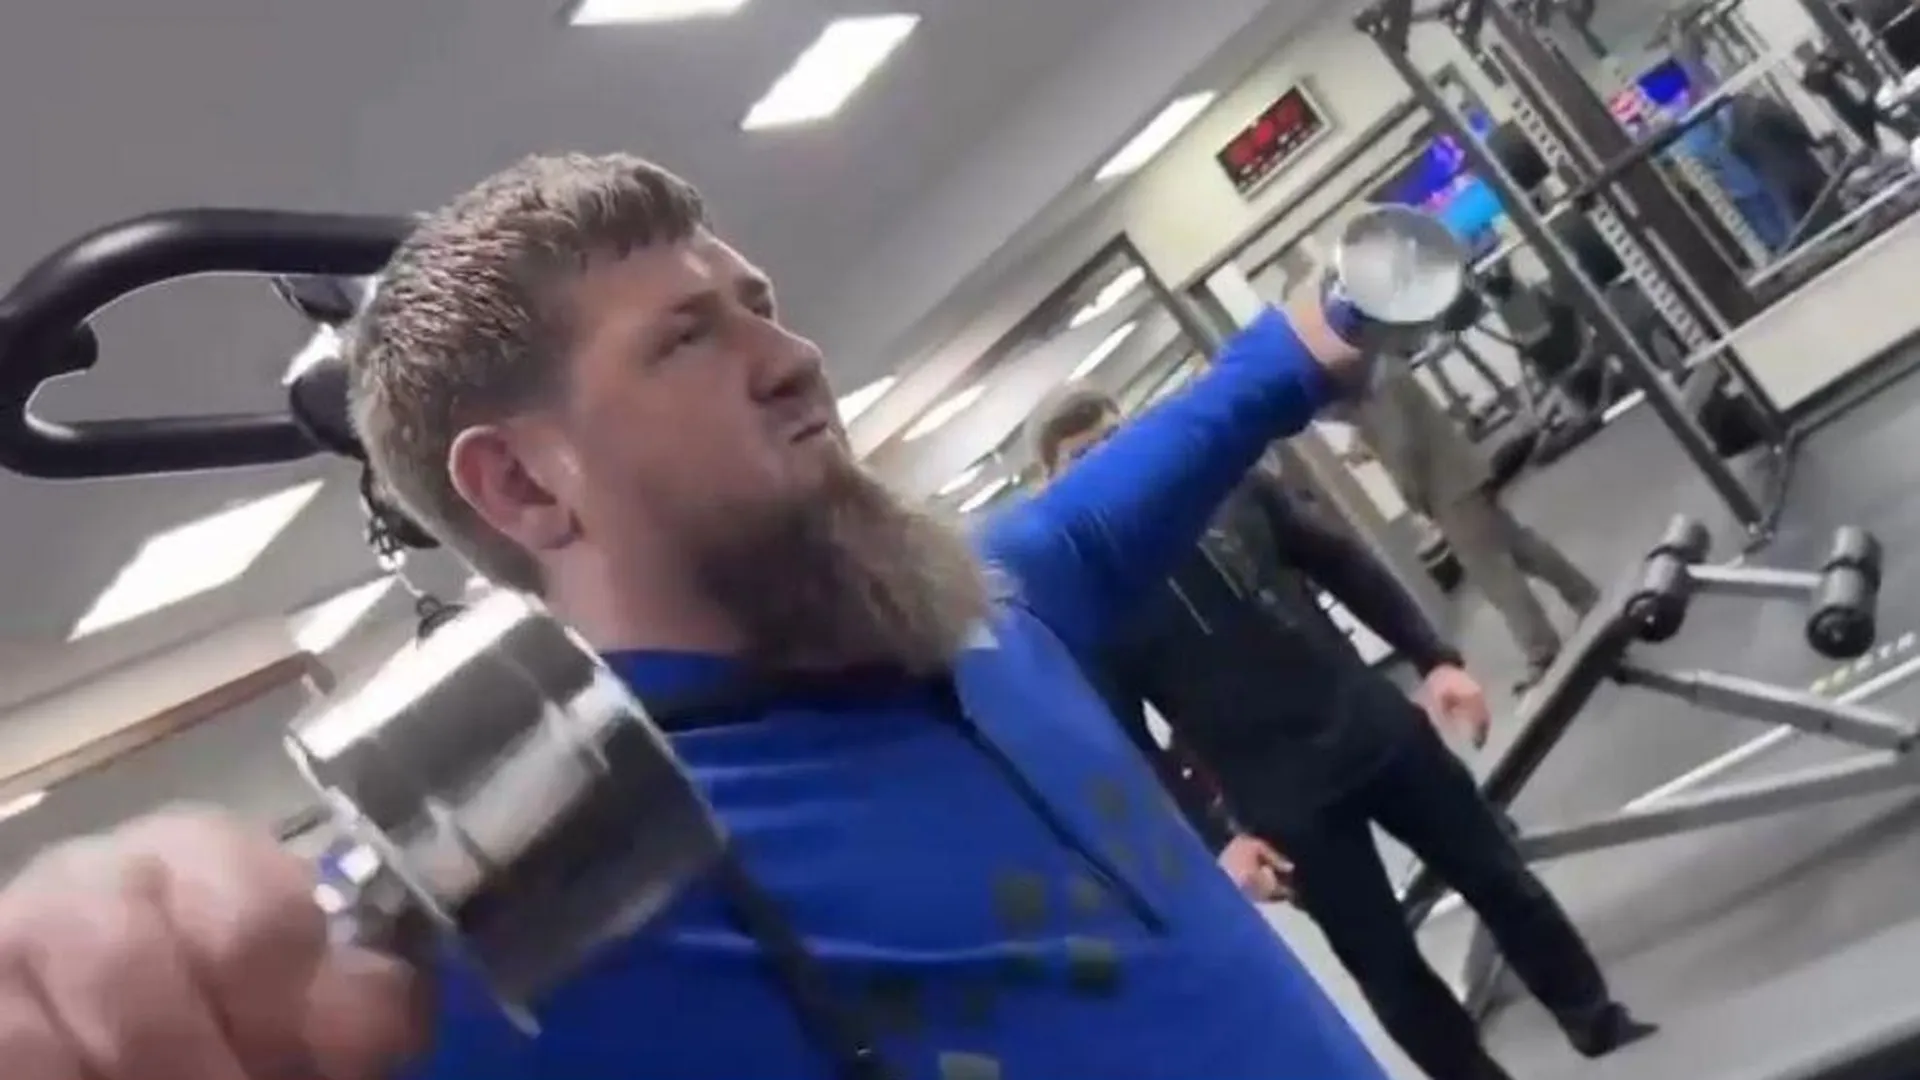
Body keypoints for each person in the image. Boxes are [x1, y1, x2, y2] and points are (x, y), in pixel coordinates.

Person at [0, 154, 1433, 1080]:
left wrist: (1336, 322)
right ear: (522, 484)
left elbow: (1204, 420)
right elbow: (252, 1010)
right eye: (690, 338)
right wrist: (102, 988)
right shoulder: (522, 917)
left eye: (761, 304)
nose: (794, 356)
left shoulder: (1003, 606)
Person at [1032, 390, 1654, 1080]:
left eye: (1115, 438)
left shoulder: (1228, 488)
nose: (1108, 461)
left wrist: (1434, 659)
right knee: (1386, 965)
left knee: (1499, 876)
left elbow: (1345, 565)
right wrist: (1219, 839)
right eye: (1083, 457)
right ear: (1054, 483)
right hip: (1281, 804)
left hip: (1374, 730)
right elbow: (1126, 740)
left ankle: (1595, 1017)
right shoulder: (1088, 599)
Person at [1339, 353, 1601, 691]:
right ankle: (1583, 594)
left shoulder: (1381, 387)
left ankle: (1541, 649)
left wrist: (1410, 494)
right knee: (1518, 545)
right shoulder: (1386, 373)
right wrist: (1364, 433)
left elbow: (1403, 449)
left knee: (1492, 572)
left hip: (1449, 490)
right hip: (1463, 477)